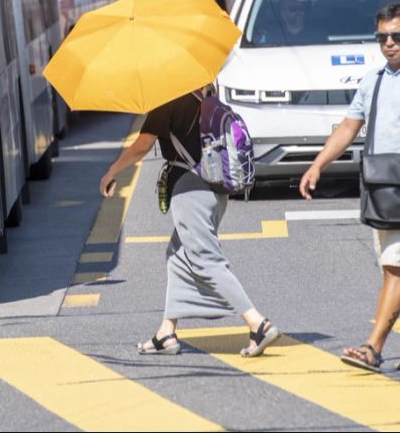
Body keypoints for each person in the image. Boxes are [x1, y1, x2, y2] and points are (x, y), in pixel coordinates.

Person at [299, 3, 400, 372]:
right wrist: (318, 165)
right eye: (382, 37)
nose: (389, 44)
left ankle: (373, 348)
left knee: (395, 267)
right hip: (382, 186)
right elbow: (347, 128)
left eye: (397, 36)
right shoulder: (372, 80)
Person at [99, 88, 280, 357]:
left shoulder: (167, 98)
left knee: (206, 259)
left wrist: (111, 172)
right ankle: (166, 332)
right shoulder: (206, 91)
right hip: (215, 188)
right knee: (177, 255)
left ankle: (258, 323)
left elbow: (142, 146)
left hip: (190, 189)